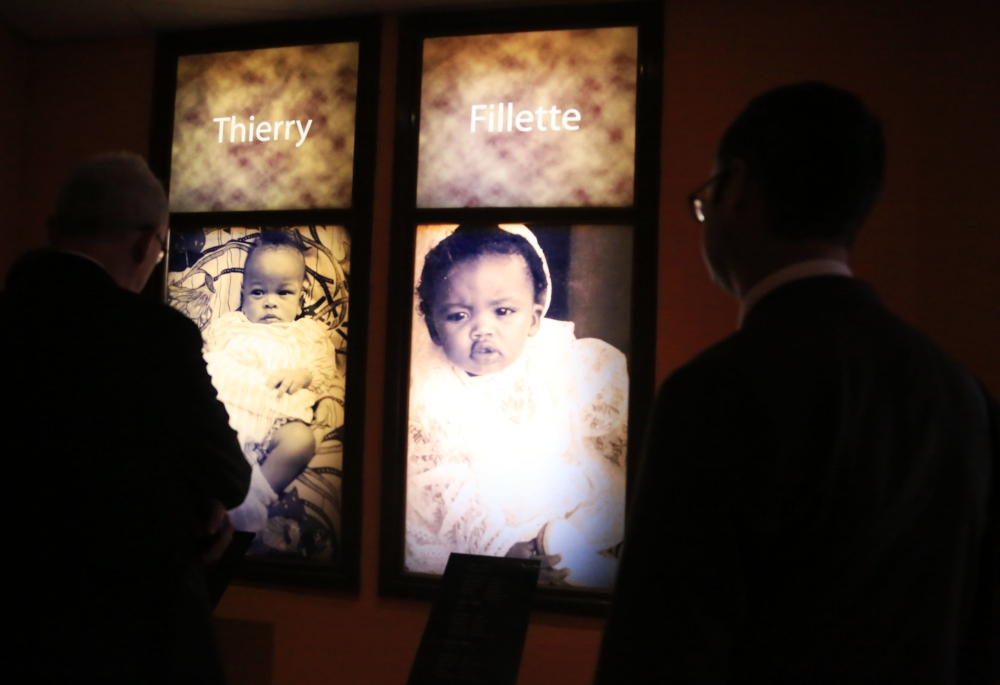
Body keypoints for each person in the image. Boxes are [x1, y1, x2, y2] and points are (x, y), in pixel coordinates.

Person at [595, 82, 998, 683]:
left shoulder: (717, 392)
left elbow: (662, 644)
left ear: (737, 187)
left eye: (705, 198)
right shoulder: (962, 393)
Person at [3, 152, 251, 684]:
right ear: (146, 244)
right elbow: (228, 476)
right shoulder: (154, 335)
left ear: (52, 229)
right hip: (124, 636)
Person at [405, 224, 628, 588]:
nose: (482, 329)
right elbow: (441, 493)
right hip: (494, 520)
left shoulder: (561, 365)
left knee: (582, 549)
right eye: (459, 315)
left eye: (504, 311)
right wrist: (504, 545)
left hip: (563, 512)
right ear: (433, 327)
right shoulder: (433, 400)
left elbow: (600, 459)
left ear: (535, 318)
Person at [202, 231, 344, 534]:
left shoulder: (308, 333)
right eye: (258, 292)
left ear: (301, 296)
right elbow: (206, 359)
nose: (269, 303)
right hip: (228, 415)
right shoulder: (230, 325)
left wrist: (302, 376)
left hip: (277, 421)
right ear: (243, 293)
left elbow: (324, 372)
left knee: (301, 441)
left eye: (283, 293)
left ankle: (256, 496)